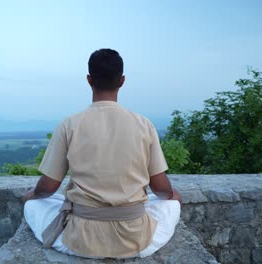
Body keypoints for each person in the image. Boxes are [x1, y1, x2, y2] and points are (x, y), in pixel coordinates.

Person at [22, 48, 182, 259]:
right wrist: (172, 196)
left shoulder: (69, 124)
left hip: (81, 239)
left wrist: (31, 196)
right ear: (122, 81)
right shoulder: (144, 125)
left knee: (36, 204)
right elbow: (160, 188)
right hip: (135, 239)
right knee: (165, 204)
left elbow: (48, 188)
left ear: (89, 80)